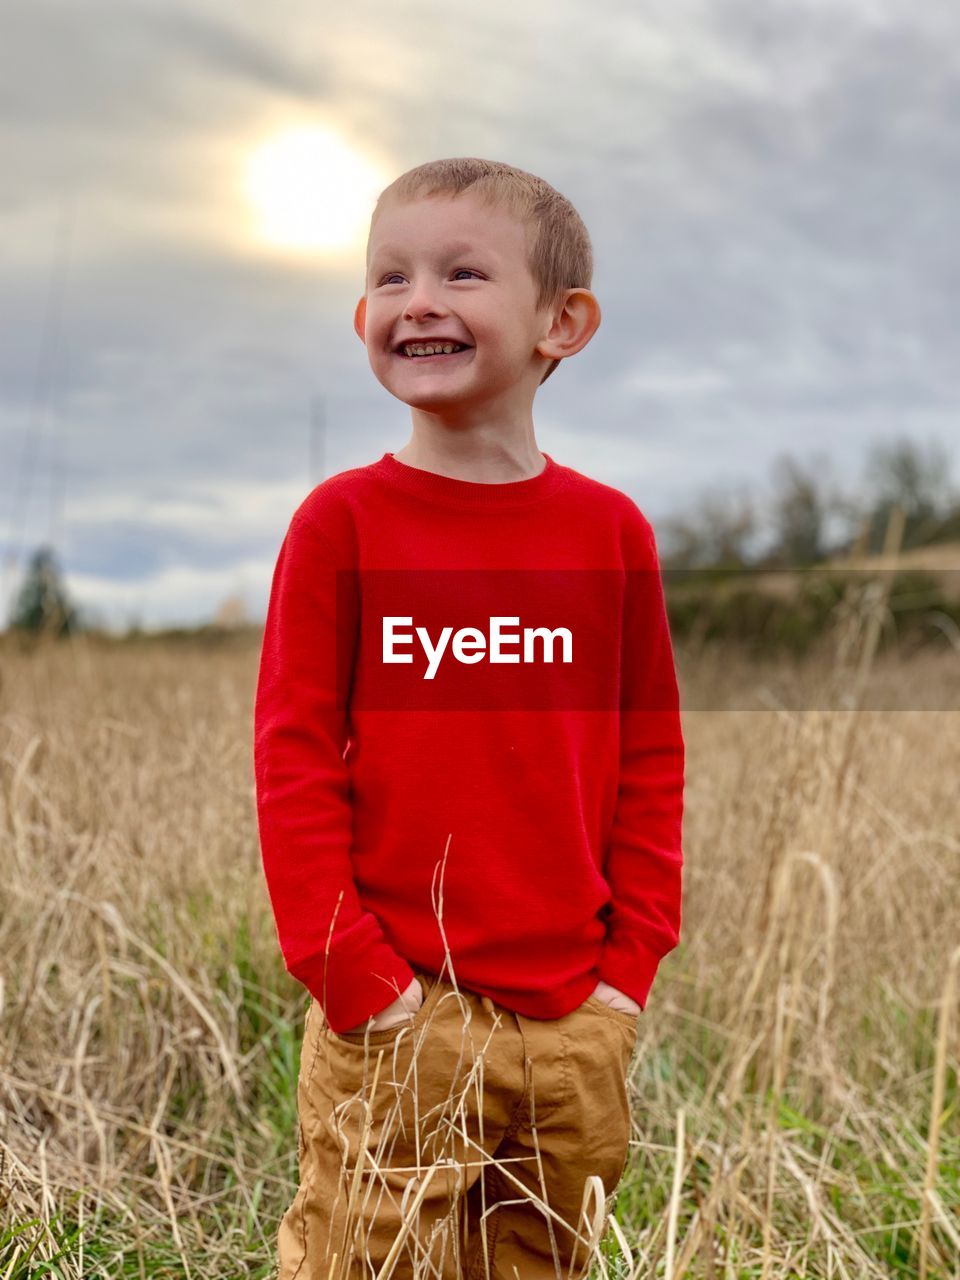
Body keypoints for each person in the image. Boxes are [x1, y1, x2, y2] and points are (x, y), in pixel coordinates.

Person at [253, 156, 685, 1280]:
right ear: (362, 316)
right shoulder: (341, 523)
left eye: (461, 271)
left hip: (574, 1020)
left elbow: (649, 755)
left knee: (541, 1259)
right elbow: (293, 755)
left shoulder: (611, 534)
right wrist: (356, 975)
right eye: (390, 277)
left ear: (562, 321)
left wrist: (626, 973)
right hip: (403, 1012)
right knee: (366, 1260)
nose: (418, 299)